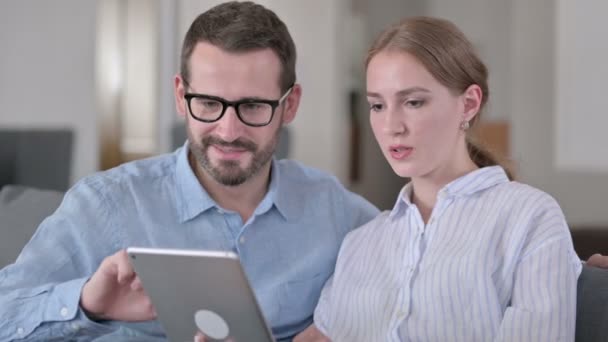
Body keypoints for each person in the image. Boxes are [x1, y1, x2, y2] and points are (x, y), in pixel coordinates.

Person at [0, 2, 379, 341]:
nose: (229, 131)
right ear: (181, 97)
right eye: (210, 103)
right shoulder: (104, 205)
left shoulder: (335, 211)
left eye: (253, 107)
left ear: (289, 105)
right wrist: (87, 306)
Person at [296, 16, 582, 341]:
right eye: (377, 105)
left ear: (469, 104)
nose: (391, 126)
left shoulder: (530, 217)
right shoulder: (359, 243)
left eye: (413, 102)